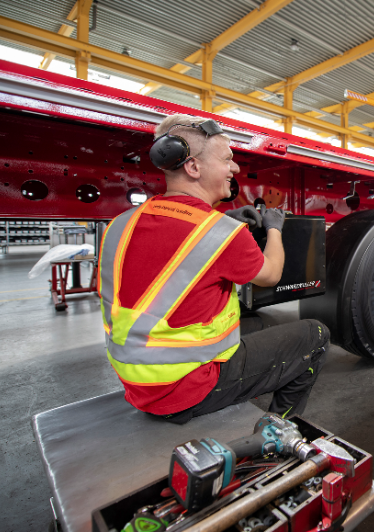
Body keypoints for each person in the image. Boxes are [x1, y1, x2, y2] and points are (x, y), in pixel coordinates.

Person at [98, 114, 329, 424]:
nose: (234, 168)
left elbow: (174, 243)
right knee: (315, 335)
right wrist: (275, 228)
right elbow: (271, 274)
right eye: (227, 159)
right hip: (185, 391)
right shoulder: (222, 234)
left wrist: (229, 217)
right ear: (194, 167)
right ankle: (278, 432)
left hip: (138, 383)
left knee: (259, 327)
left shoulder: (121, 224)